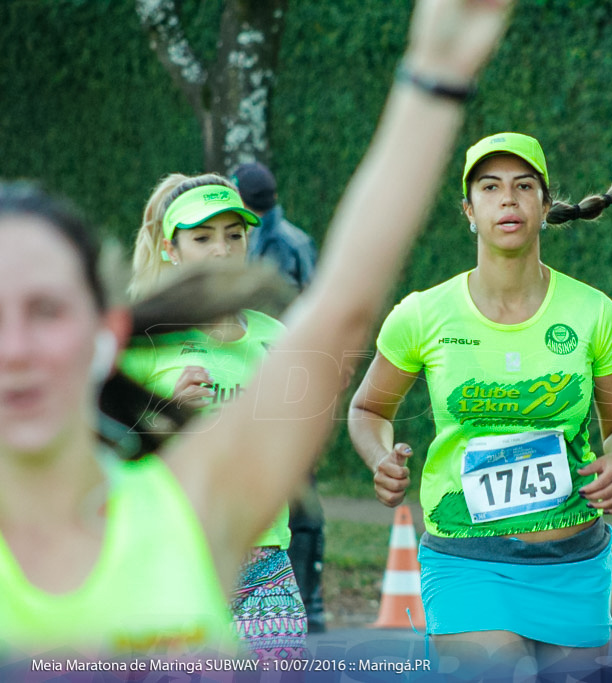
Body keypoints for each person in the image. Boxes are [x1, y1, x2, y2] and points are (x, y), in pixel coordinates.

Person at [0, 0, 513, 661]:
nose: (15, 347)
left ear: (104, 335)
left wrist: (435, 72)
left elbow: (343, 307)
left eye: (46, 310)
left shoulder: (188, 511)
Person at [348, 131, 612, 670]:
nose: (507, 199)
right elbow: (368, 410)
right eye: (489, 187)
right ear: (469, 209)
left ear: (544, 203)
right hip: (467, 559)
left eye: (523, 185)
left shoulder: (594, 313)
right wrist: (380, 458)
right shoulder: (423, 314)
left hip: (573, 560)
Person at [120, 173, 309, 660]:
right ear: (171, 249)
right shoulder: (143, 341)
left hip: (265, 561)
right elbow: (102, 458)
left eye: (234, 235)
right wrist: (162, 413)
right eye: (202, 239)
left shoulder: (276, 336)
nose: (222, 250)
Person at [231, 161, 327, 633]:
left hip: (288, 371)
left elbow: (317, 302)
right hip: (244, 370)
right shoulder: (234, 236)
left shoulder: (292, 242)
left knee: (300, 494)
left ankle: (311, 599)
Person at [231, 161, 318, 293]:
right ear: (274, 196)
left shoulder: (273, 243)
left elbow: (274, 303)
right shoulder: (296, 236)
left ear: (240, 201)